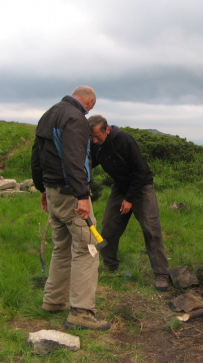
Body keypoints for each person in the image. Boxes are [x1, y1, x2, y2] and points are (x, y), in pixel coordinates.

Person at [31, 86, 110, 331]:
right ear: (89, 101)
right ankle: (81, 312)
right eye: (91, 107)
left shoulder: (49, 114)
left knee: (62, 248)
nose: (90, 111)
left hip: (53, 193)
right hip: (70, 195)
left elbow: (37, 156)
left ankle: (53, 301)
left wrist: (42, 189)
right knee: (87, 249)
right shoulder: (75, 118)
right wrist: (82, 195)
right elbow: (75, 159)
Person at [87, 115, 170, 291]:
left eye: (97, 136)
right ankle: (111, 266)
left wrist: (129, 199)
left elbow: (140, 171)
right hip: (120, 187)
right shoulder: (96, 146)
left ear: (107, 130)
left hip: (141, 187)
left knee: (151, 230)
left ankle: (161, 274)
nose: (94, 141)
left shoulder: (124, 140)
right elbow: (89, 164)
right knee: (108, 228)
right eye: (91, 137)